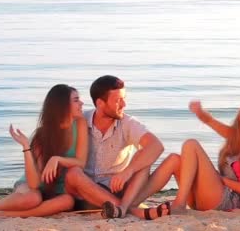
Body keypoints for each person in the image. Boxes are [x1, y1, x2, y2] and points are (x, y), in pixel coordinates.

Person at [124, 99, 240, 220]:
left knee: (191, 144)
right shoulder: (233, 136)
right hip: (205, 198)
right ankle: (131, 204)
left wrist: (220, 179)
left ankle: (179, 204)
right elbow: (210, 121)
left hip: (227, 200)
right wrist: (198, 111)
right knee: (175, 159)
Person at [0, 84, 88, 219]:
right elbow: (34, 184)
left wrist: (57, 159)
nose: (81, 103)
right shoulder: (42, 135)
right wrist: (26, 146)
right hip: (32, 186)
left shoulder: (80, 124)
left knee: (68, 201)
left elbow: (81, 162)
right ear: (62, 105)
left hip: (58, 188)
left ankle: (2, 214)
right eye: (76, 100)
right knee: (32, 199)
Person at [63, 75, 164, 219]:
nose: (124, 105)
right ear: (100, 103)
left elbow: (156, 146)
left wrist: (128, 171)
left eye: (124, 98)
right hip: (86, 194)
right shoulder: (80, 121)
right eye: (118, 100)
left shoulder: (127, 122)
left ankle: (120, 208)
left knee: (143, 158)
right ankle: (130, 210)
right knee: (73, 173)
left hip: (116, 189)